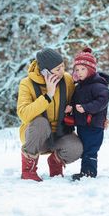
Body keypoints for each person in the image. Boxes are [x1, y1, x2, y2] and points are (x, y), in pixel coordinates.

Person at [17, 48, 83, 182]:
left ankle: (55, 163)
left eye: (63, 66)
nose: (62, 72)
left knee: (77, 148)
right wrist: (48, 95)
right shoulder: (26, 84)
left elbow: (79, 102)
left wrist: (98, 116)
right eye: (57, 69)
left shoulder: (67, 80)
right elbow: (24, 114)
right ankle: (28, 171)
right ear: (44, 71)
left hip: (59, 134)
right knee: (41, 123)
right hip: (36, 136)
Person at [65, 47, 109, 181]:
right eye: (77, 70)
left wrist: (86, 108)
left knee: (91, 149)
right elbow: (77, 102)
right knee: (85, 149)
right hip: (83, 125)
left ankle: (89, 172)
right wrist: (71, 108)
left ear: (90, 70)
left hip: (94, 125)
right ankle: (84, 171)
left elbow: (102, 101)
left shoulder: (99, 85)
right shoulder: (80, 86)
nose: (79, 72)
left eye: (83, 69)